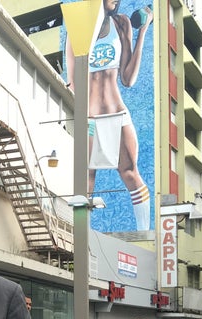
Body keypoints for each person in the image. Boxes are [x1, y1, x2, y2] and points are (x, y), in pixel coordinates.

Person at [66, 0, 154, 231]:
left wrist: (142, 32)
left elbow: (128, 79)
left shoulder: (121, 22)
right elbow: (74, 82)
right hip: (91, 118)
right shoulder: (77, 27)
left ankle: (144, 236)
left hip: (117, 112)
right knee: (85, 180)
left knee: (130, 173)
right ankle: (81, 240)